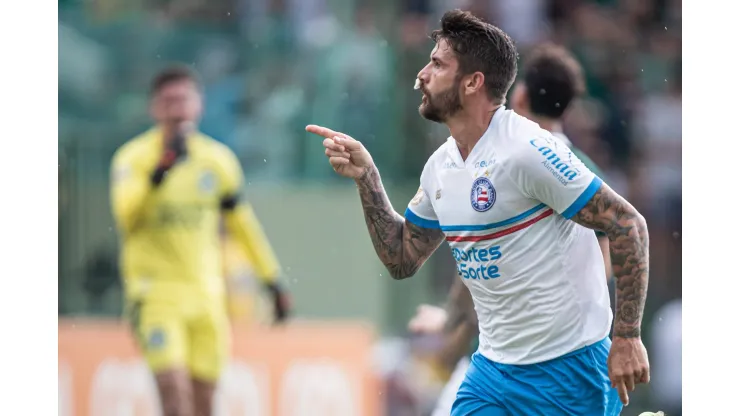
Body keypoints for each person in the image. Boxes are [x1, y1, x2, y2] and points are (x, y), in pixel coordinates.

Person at [306, 10, 650, 415]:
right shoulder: (440, 166)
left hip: (570, 371)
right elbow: (401, 258)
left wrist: (626, 336)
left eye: (437, 64)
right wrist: (367, 177)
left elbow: (629, 224)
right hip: (493, 374)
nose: (421, 74)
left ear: (473, 82)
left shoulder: (526, 151)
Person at [409, 42, 616, 416]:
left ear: (518, 95)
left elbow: (618, 237)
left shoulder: (554, 167)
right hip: (501, 362)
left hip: (559, 360)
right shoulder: (566, 163)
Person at [110, 65, 290, 416]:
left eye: (183, 100)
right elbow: (126, 216)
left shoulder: (216, 161)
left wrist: (273, 280)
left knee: (204, 404)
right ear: (154, 108)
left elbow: (243, 226)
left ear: (199, 106)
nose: (177, 109)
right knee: (175, 396)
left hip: (207, 298)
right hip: (155, 295)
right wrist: (160, 172)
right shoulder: (133, 158)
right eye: (168, 101)